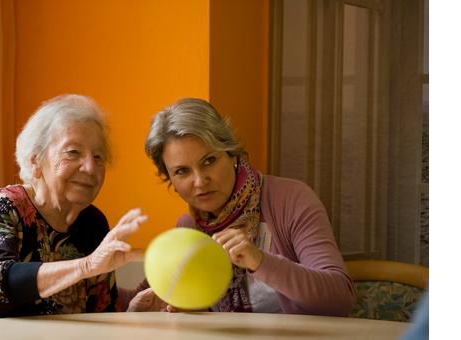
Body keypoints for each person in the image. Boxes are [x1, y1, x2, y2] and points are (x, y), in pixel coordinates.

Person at [123, 97, 354, 316]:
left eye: (209, 161)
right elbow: (142, 297)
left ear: (232, 154)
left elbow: (340, 298)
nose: (200, 181)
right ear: (170, 179)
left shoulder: (290, 200)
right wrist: (94, 271)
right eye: (182, 171)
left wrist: (260, 261)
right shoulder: (188, 228)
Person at [0, 94, 147, 325]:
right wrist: (86, 265)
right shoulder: (5, 205)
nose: (90, 167)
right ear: (35, 161)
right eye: (73, 152)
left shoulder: (93, 222)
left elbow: (103, 315)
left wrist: (133, 313)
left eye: (98, 156)